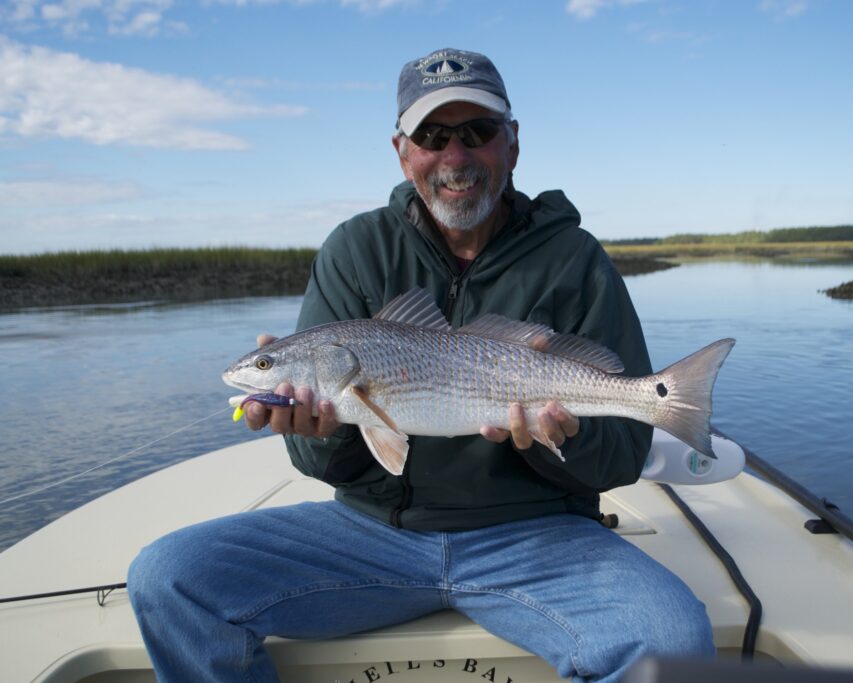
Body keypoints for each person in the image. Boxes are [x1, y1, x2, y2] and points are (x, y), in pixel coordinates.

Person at [127, 47, 714, 682]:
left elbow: (624, 457)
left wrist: (552, 442)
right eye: (432, 136)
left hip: (538, 538)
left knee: (672, 641)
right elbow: (323, 462)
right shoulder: (356, 249)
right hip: (369, 534)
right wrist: (318, 438)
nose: (455, 157)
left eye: (477, 133)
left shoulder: (574, 259)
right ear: (403, 152)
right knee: (167, 579)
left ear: (512, 144)